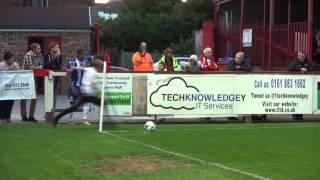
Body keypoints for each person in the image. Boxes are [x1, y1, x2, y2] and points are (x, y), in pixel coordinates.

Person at [53, 58, 104, 127]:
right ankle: (109, 124)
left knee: (73, 108)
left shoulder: (89, 69)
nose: (101, 69)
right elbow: (93, 85)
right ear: (98, 67)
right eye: (101, 67)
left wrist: (74, 67)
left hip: (84, 93)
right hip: (88, 94)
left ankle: (56, 118)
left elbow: (81, 68)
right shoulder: (93, 72)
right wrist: (100, 92)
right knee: (103, 103)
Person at [67, 49, 92, 125]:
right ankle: (71, 120)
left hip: (83, 86)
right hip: (74, 86)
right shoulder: (72, 62)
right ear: (78, 54)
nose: (84, 56)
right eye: (82, 54)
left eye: (84, 54)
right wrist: (71, 87)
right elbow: (67, 75)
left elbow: (94, 57)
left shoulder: (86, 60)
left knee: (87, 101)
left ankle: (84, 119)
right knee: (72, 103)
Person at [20, 43, 43, 122]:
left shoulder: (39, 55)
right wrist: (38, 67)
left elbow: (40, 65)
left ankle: (31, 116)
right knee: (24, 96)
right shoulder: (29, 55)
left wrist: (39, 67)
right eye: (39, 48)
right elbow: (30, 67)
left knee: (34, 96)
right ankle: (23, 115)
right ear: (34, 49)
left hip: (33, 77)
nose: (40, 49)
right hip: (25, 78)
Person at [289, 51, 312, 120]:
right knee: (295, 99)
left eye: (302, 56)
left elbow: (313, 67)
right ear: (298, 56)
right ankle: (295, 114)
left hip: (305, 85)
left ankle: (300, 114)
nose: (301, 57)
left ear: (305, 56)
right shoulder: (294, 61)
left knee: (302, 99)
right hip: (295, 85)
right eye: (299, 56)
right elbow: (290, 67)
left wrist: (307, 69)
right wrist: (300, 69)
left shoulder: (307, 62)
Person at [0, 51, 20, 123]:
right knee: (3, 102)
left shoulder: (15, 64)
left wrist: (15, 68)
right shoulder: (1, 65)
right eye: (11, 59)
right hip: (3, 87)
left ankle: (8, 117)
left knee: (10, 101)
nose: (12, 60)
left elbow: (19, 73)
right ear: (6, 59)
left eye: (13, 59)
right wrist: (8, 70)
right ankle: (2, 117)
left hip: (12, 87)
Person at [43, 41, 62, 110]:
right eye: (57, 47)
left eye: (58, 47)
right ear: (52, 48)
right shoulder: (46, 55)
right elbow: (46, 66)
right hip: (48, 78)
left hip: (56, 77)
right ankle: (47, 112)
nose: (58, 49)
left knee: (54, 95)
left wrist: (57, 58)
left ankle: (52, 110)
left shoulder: (59, 56)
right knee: (48, 95)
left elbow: (59, 67)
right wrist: (54, 58)